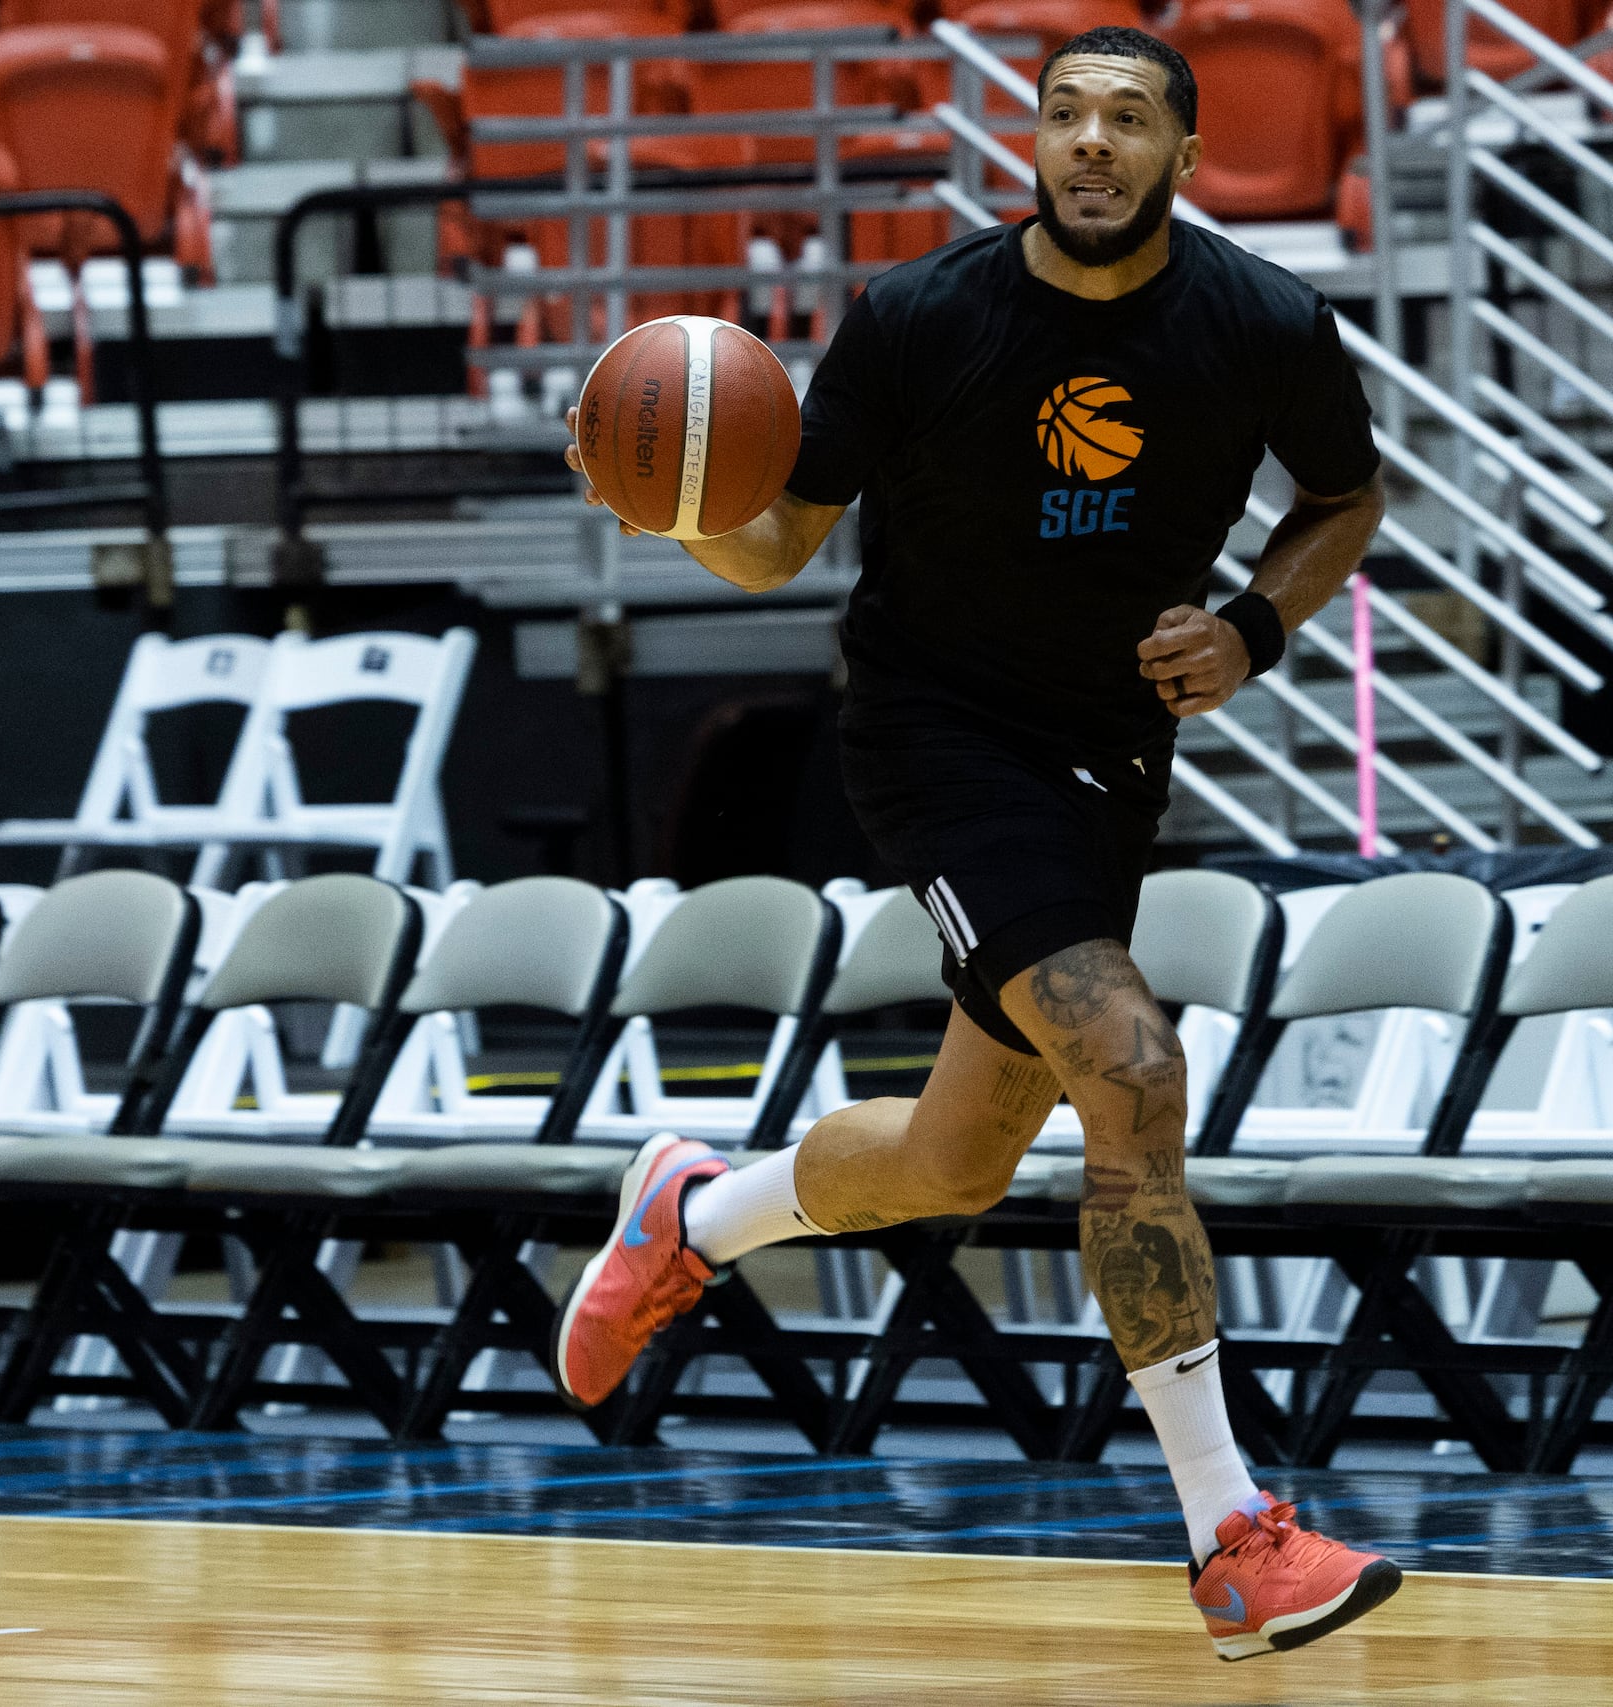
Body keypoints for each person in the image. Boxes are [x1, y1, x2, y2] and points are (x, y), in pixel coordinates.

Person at [551, 24, 1401, 1661]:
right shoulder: (923, 316)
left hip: (1107, 758)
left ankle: (693, 1216)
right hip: (935, 743)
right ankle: (1234, 1535)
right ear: (1032, 139)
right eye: (1065, 113)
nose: (1092, 142)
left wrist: (1253, 630)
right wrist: (672, 504)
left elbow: (1344, 498)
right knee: (1133, 1069)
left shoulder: (1260, 321)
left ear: (1182, 153)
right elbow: (784, 540)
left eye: (1129, 118)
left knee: (959, 1162)